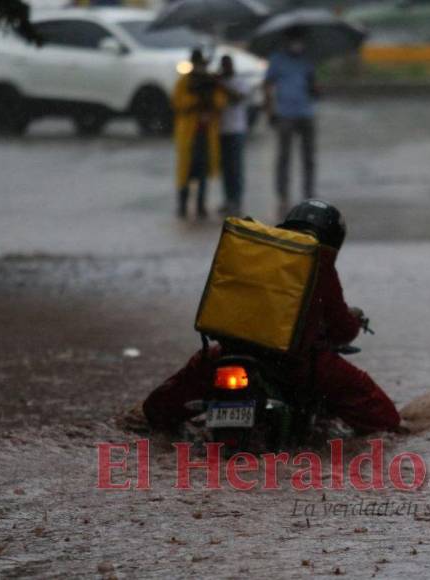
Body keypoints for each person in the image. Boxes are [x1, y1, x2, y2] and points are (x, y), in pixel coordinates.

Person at [143, 200, 401, 435]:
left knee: (157, 409)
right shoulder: (320, 263)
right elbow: (340, 329)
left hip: (231, 351)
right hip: (297, 366)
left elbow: (154, 411)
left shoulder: (256, 254)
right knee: (386, 420)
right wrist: (354, 322)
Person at [263, 27, 319, 217]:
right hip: (285, 114)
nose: (297, 43)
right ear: (286, 40)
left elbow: (313, 86)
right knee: (284, 158)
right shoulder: (277, 60)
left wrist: (316, 88)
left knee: (308, 157)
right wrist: (270, 111)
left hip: (306, 112)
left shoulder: (308, 59)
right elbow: (267, 86)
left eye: (299, 39)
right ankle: (283, 196)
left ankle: (309, 195)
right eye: (293, 39)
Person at [172, 48, 227, 219]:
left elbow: (221, 101)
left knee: (203, 171)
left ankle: (200, 206)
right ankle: (182, 205)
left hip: (206, 134)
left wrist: (209, 100)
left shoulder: (210, 82)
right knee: (185, 172)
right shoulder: (185, 82)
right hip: (188, 134)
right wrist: (196, 100)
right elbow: (177, 102)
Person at [217, 55, 251, 217]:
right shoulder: (219, 82)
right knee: (225, 168)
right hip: (221, 130)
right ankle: (228, 199)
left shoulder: (239, 81)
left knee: (236, 168)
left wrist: (222, 86)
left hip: (236, 130)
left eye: (227, 65)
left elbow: (239, 98)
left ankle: (236, 201)